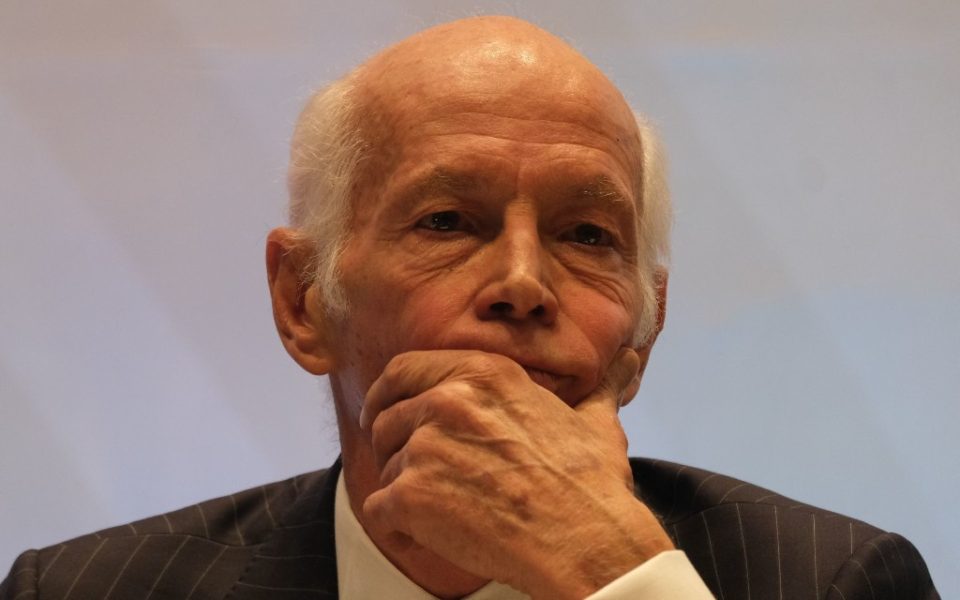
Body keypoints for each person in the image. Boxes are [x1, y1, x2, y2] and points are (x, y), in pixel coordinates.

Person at [0, 16, 938, 600]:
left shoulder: (834, 580)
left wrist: (615, 576)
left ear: (643, 333)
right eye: (447, 221)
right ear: (302, 301)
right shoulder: (84, 590)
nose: (524, 283)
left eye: (587, 235)